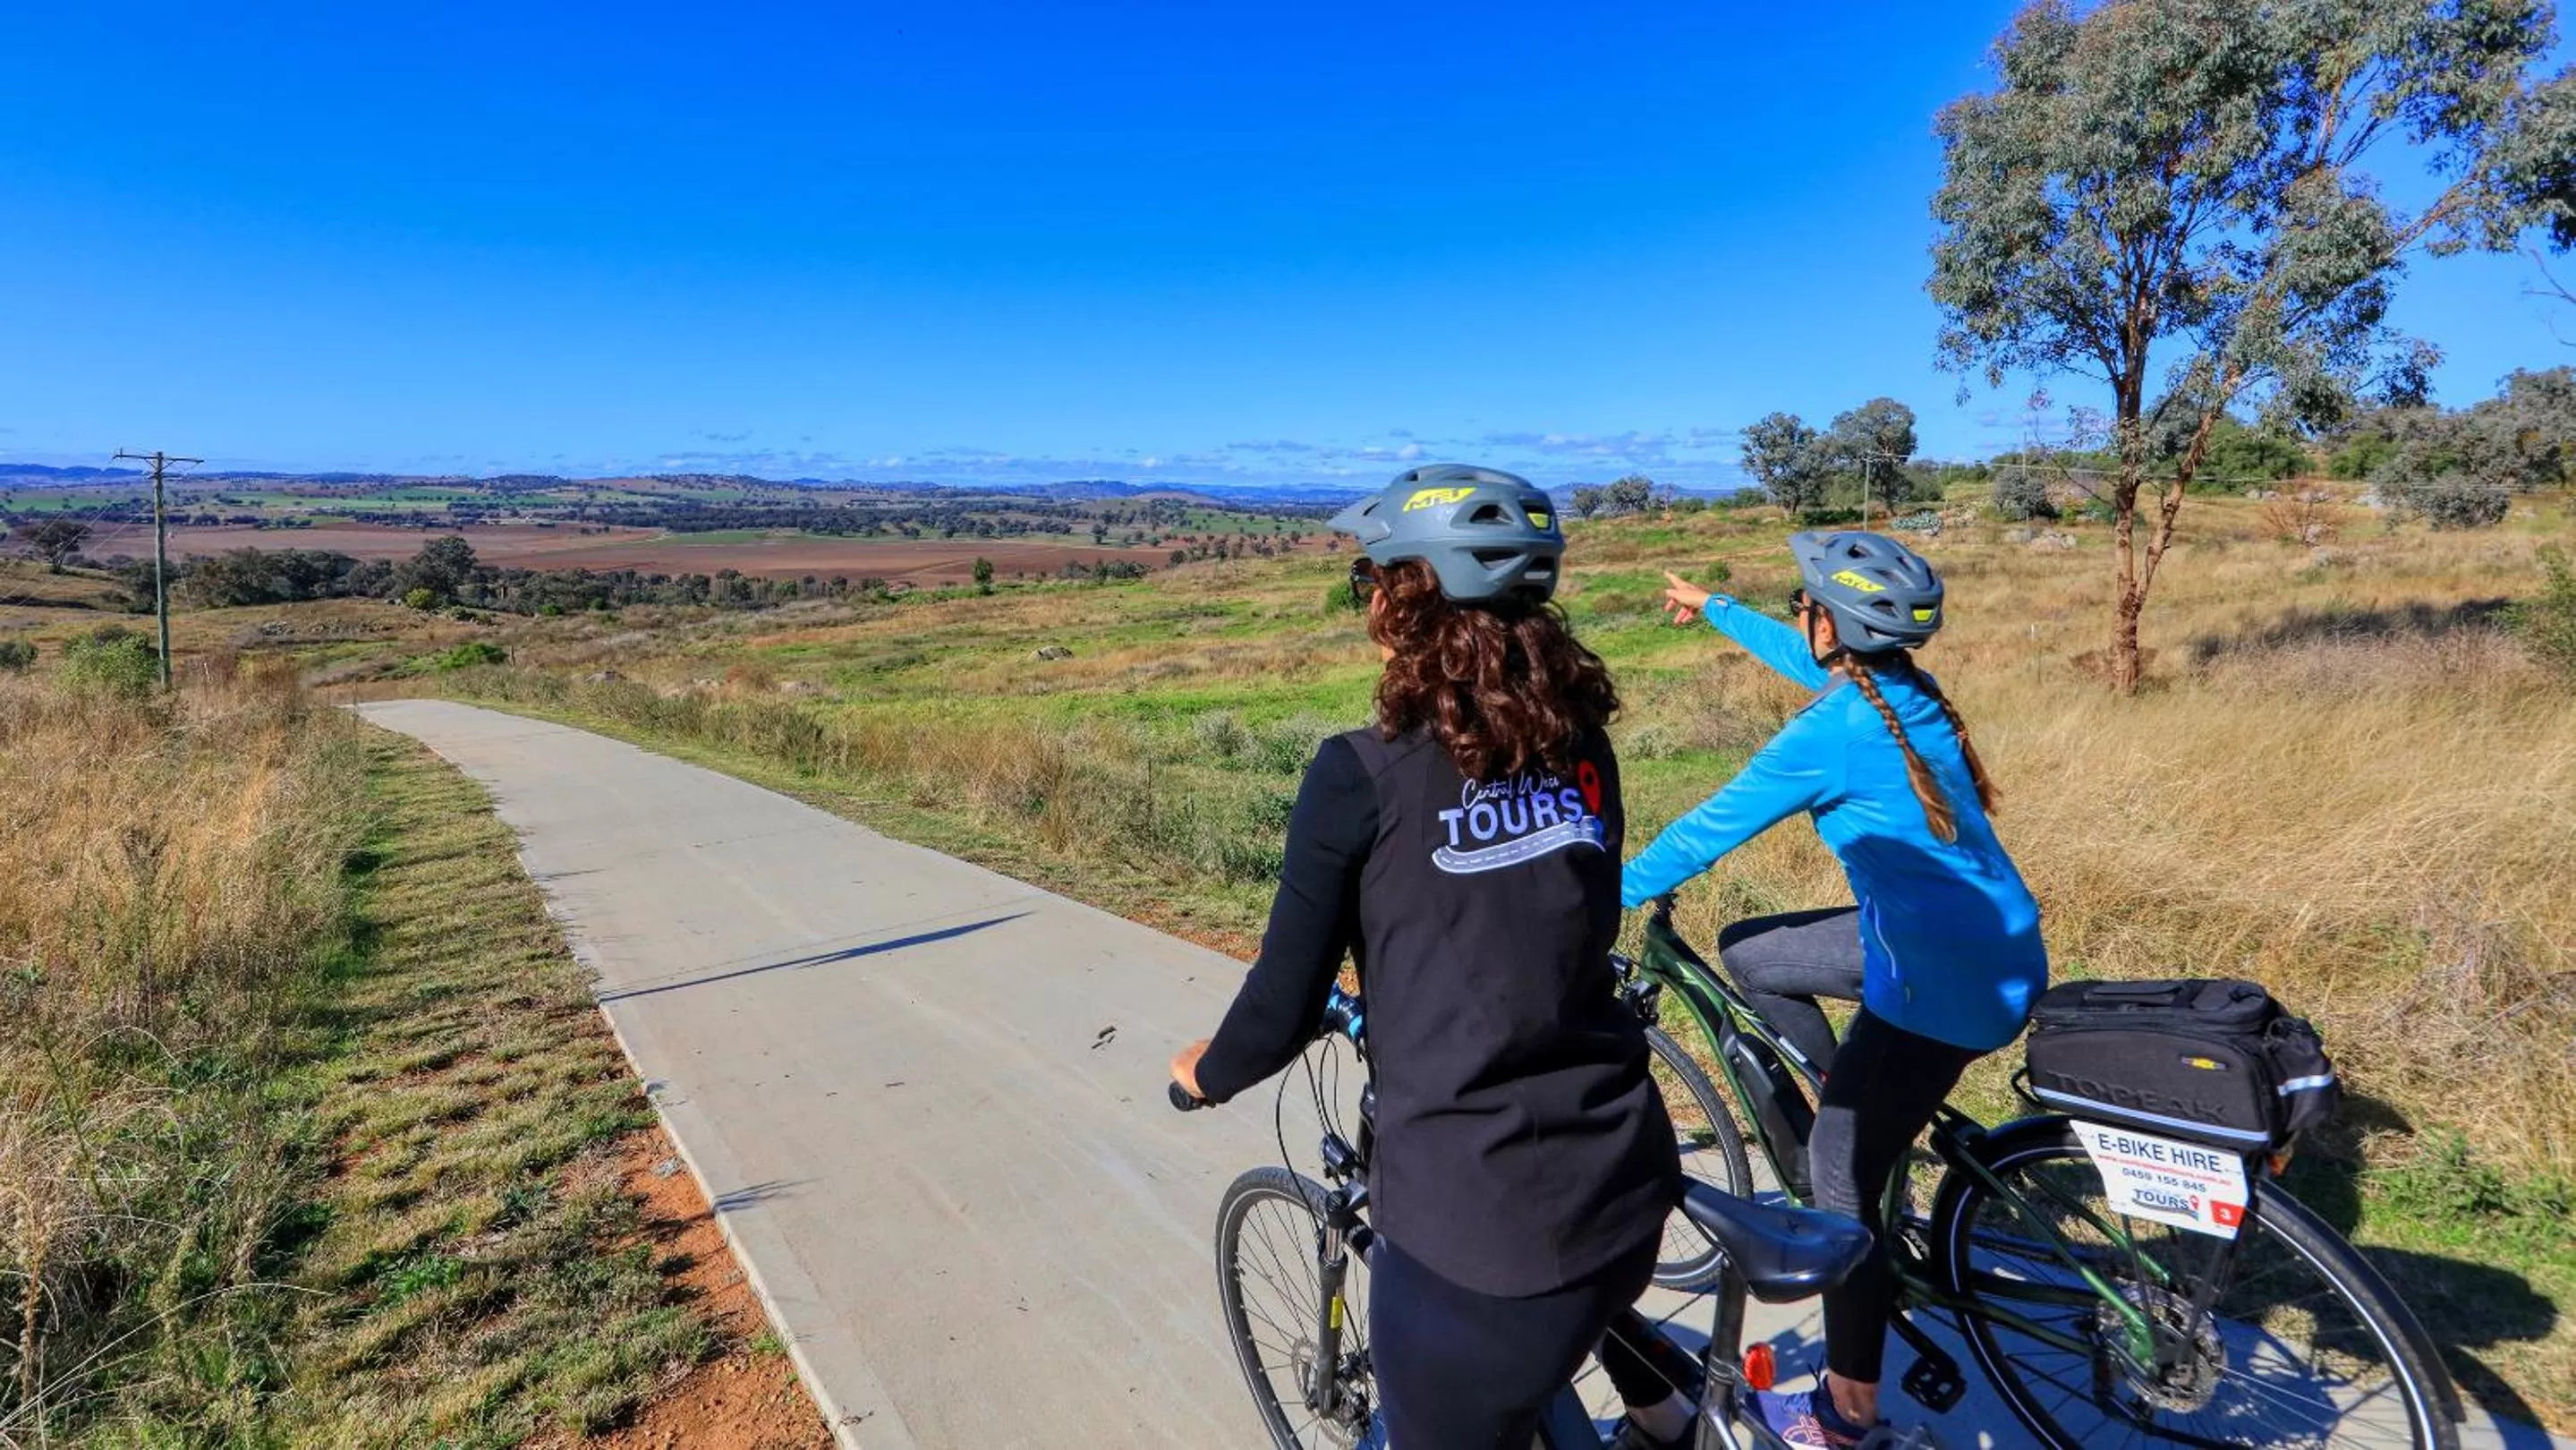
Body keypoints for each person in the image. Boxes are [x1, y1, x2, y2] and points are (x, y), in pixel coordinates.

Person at [1169, 464, 1692, 1449]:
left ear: (1403, 597)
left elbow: (1285, 1000)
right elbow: (1564, 925)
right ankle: (1665, 1416)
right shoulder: (1580, 744)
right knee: (1574, 1315)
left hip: (1477, 1228)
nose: (1362, 600)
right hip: (1627, 1175)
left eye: (1367, 580)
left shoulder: (1356, 774)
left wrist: (1207, 1072)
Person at [1620, 531, 2047, 1450]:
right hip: (1987, 944)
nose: (1795, 617)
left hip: (1938, 979)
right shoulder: (1897, 694)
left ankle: (1845, 1417)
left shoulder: (1831, 731)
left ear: (1831, 624)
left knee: (1836, 1172)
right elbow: (1804, 654)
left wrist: (1595, 891)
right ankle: (1842, 1102)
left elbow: (1708, 826)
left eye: (1800, 603)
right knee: (1753, 954)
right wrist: (1713, 611)